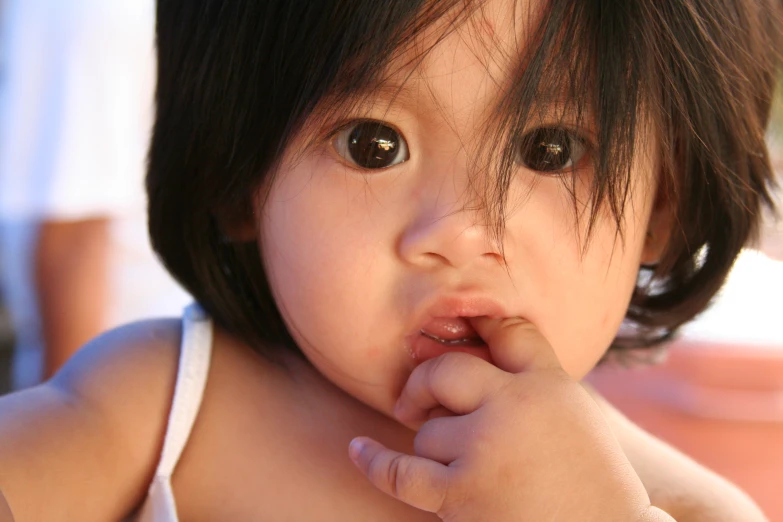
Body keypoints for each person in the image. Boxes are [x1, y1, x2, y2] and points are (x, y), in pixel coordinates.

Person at [0, 0, 780, 520]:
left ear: (660, 209)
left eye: (551, 148)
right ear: (241, 179)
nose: (463, 231)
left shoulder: (669, 503)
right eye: (374, 146)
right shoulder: (162, 409)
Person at [0, 0, 191, 385]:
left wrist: (56, 435)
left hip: (111, 381)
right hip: (151, 369)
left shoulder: (69, 9)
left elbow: (73, 239)